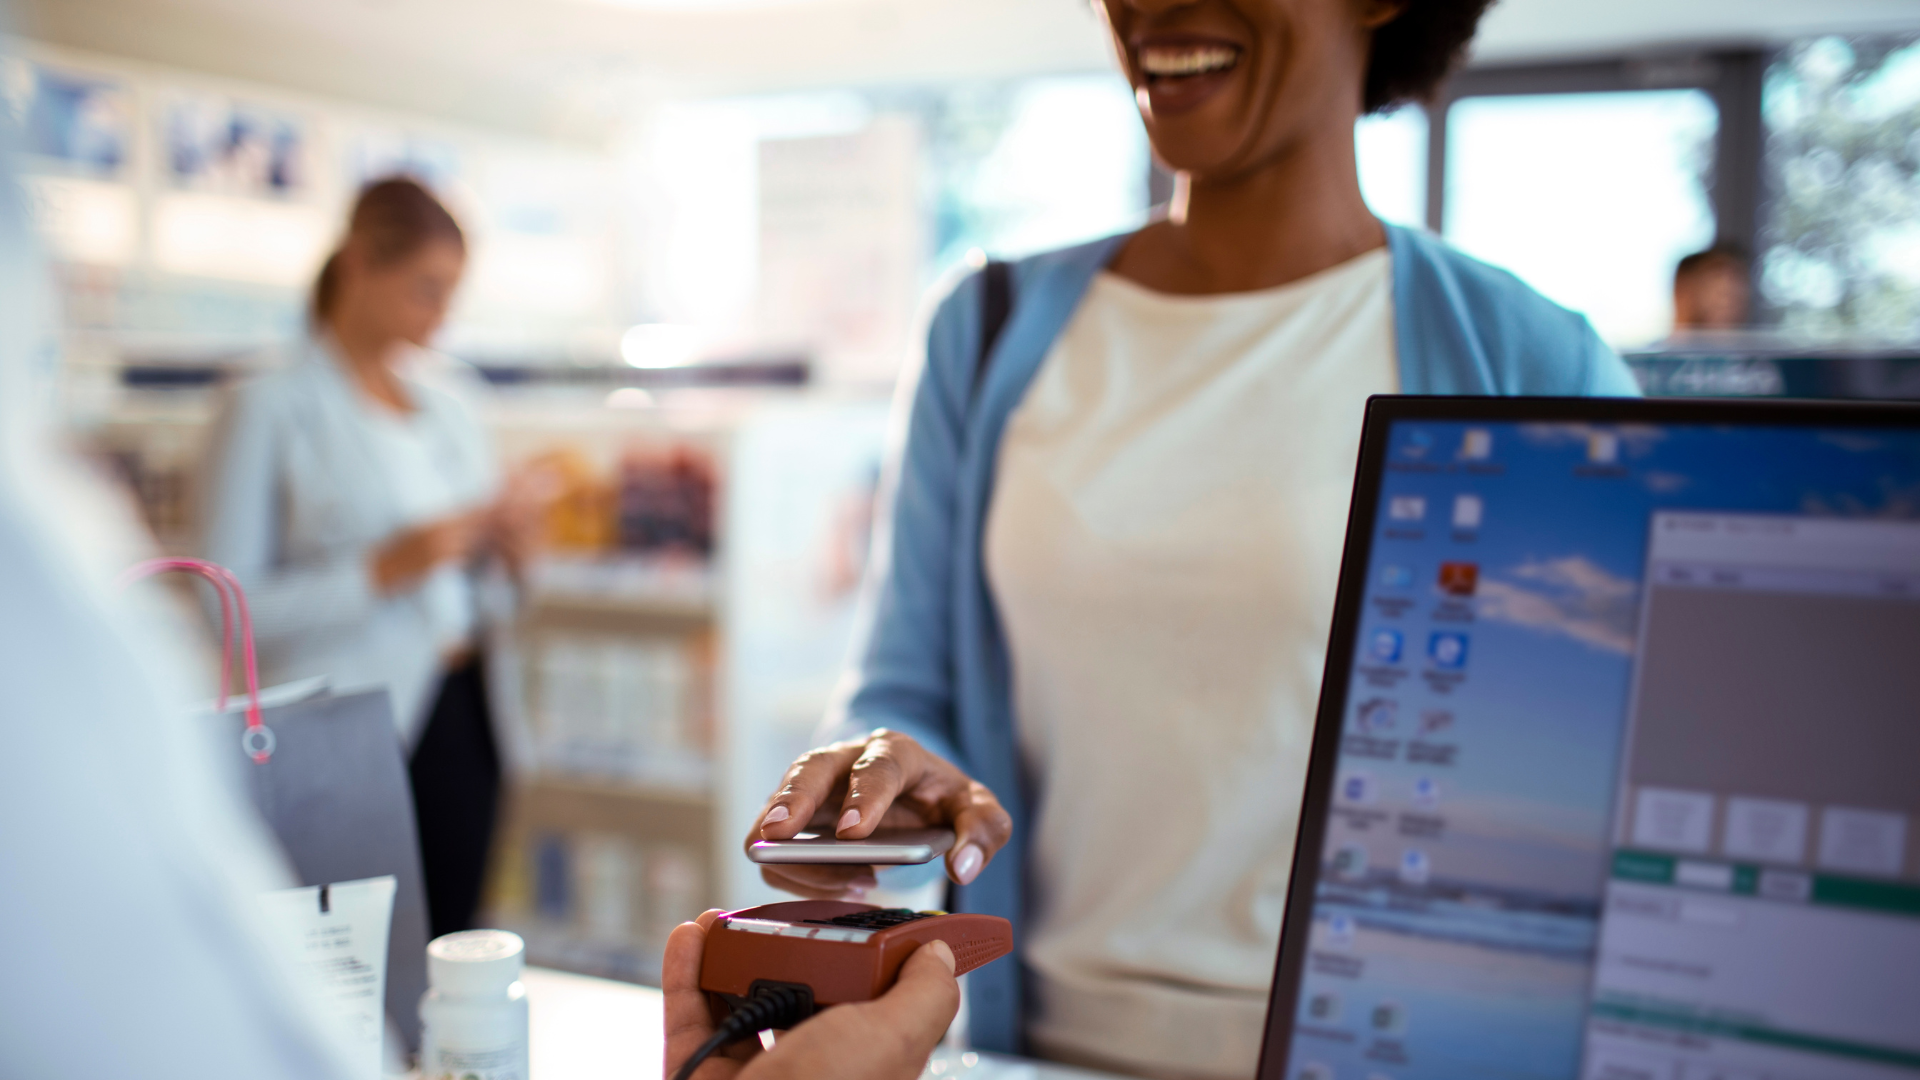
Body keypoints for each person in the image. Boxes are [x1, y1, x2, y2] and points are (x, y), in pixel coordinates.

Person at [747, 0, 1641, 1076]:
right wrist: (879, 771)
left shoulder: (1531, 362)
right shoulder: (987, 332)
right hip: (1024, 1047)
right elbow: (904, 683)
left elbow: (1600, 803)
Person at [200, 177, 545, 938]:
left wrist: (508, 555)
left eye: (452, 292)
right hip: (350, 720)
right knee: (360, 959)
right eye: (426, 288)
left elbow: (478, 589)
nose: (442, 314)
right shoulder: (265, 401)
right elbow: (224, 608)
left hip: (467, 709)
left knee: (458, 945)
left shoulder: (452, 399)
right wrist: (384, 569)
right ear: (359, 264)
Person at [1671, 243, 1751, 332]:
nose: (1727, 301)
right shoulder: (1665, 345)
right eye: (1719, 294)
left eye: (1735, 295)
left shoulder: (1752, 344)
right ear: (1684, 294)